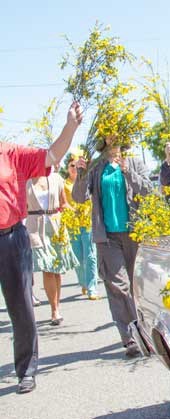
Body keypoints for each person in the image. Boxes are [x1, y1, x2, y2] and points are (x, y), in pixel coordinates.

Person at [0, 101, 83, 394]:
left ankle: (26, 371)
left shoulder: (11, 153)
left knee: (21, 308)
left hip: (10, 238)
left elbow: (51, 155)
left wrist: (71, 125)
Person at [72, 136, 152, 357]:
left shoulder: (134, 162)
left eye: (119, 132)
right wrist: (81, 173)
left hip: (135, 234)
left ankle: (144, 331)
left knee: (137, 287)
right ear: (104, 137)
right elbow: (79, 197)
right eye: (110, 132)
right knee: (119, 286)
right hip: (107, 237)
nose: (114, 136)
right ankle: (130, 337)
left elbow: (149, 191)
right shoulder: (96, 166)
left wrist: (129, 172)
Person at [26, 168, 78, 326]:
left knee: (56, 269)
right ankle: (54, 310)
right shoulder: (26, 182)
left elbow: (63, 203)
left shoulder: (56, 178)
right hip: (35, 227)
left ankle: (57, 306)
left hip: (56, 225)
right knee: (47, 267)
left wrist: (78, 212)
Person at [64, 152, 99, 300]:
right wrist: (73, 211)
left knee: (90, 256)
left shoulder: (86, 180)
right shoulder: (64, 184)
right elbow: (63, 203)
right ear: (67, 168)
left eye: (76, 165)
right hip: (72, 225)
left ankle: (92, 287)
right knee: (78, 258)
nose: (74, 168)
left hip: (87, 222)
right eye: (72, 165)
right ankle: (83, 282)